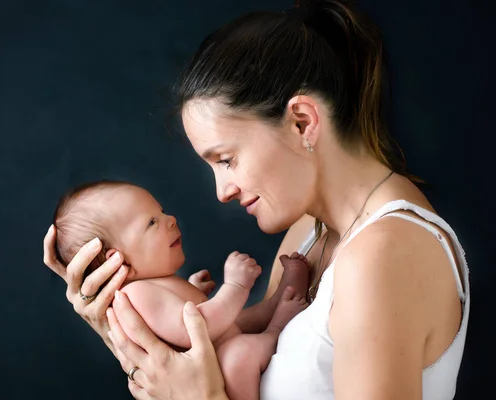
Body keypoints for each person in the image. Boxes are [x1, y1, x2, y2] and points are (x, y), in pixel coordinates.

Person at [43, 0, 471, 399]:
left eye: (226, 159)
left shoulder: (383, 255)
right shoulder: (308, 233)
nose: (221, 191)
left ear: (302, 122)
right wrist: (124, 328)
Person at [51, 180, 311, 399]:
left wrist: (190, 292)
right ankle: (277, 327)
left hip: (216, 357)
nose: (170, 219)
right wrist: (236, 286)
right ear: (116, 261)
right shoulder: (133, 296)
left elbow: (176, 319)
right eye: (152, 222)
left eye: (162, 211)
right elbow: (196, 329)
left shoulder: (152, 285)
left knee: (239, 324)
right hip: (218, 379)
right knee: (238, 353)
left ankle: (280, 297)